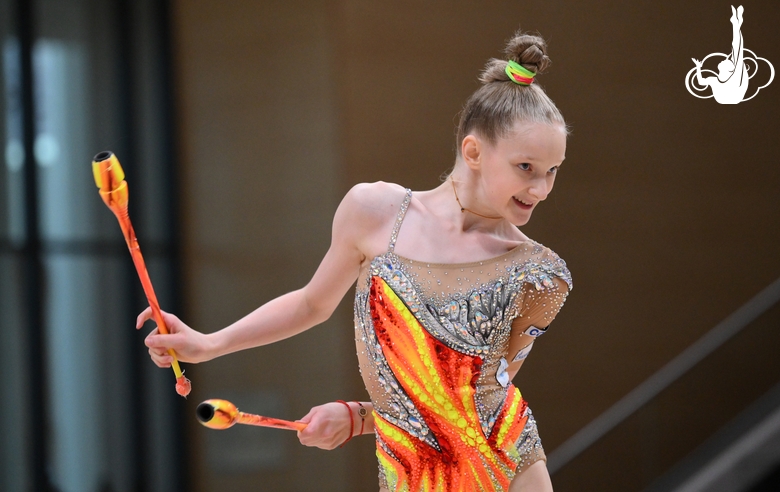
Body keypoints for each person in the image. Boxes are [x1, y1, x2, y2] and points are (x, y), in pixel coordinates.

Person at [138, 30, 572, 492]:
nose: (541, 189)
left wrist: (358, 418)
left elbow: (474, 398)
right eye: (526, 168)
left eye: (552, 172)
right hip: (409, 472)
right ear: (474, 152)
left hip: (506, 470)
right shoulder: (376, 211)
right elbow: (311, 304)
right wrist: (209, 344)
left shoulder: (541, 274)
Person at [692, 5, 748, 104]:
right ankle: (736, 24)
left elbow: (737, 49)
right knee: (737, 52)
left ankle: (736, 24)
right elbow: (700, 82)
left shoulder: (726, 78)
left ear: (729, 69)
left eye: (727, 61)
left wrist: (698, 68)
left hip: (731, 96)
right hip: (731, 97)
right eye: (728, 60)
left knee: (737, 51)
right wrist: (698, 67)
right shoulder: (716, 79)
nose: (725, 59)